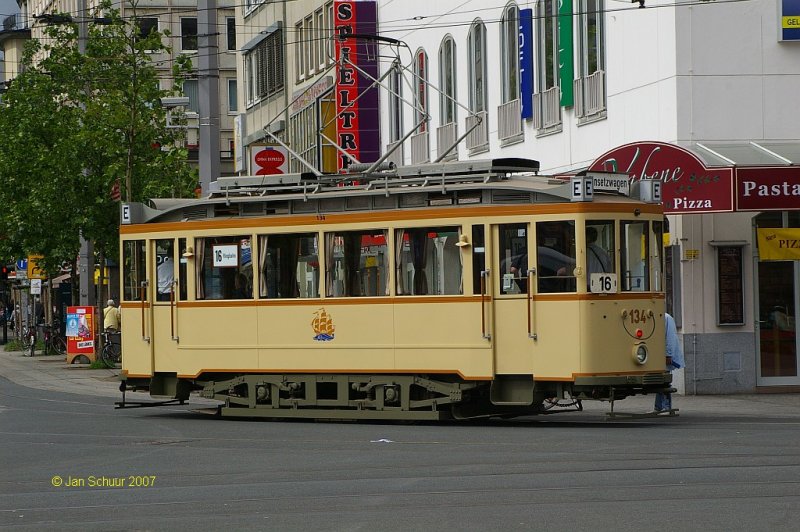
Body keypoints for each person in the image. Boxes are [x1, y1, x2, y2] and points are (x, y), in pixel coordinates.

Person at [654, 312, 684, 412]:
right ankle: (659, 407)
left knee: (664, 382)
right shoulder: (659, 317)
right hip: (659, 355)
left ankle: (666, 407)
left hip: (665, 356)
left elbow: (670, 337)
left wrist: (668, 354)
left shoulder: (666, 318)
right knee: (660, 381)